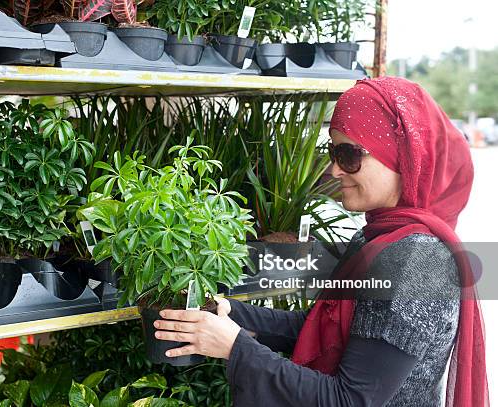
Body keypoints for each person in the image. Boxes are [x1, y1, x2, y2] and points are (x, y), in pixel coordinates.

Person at [153, 77, 489, 406]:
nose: (333, 171)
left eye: (348, 155)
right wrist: (234, 314)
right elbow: (323, 327)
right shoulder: (377, 237)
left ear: (401, 157)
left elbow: (349, 399)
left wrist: (234, 346)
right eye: (333, 153)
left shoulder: (417, 260)